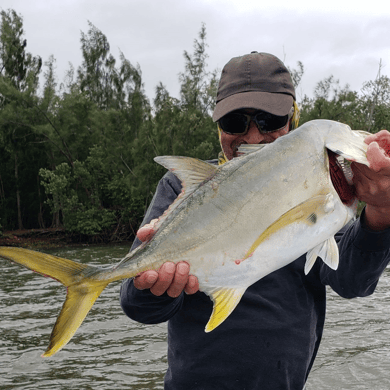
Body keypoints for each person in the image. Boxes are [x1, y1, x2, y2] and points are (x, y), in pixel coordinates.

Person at [120, 52, 390, 389]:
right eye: (234, 123)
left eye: (268, 120)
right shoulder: (181, 189)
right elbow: (136, 304)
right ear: (217, 126)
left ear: (293, 118)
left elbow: (352, 281)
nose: (252, 137)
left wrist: (381, 211)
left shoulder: (319, 190)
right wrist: (158, 288)